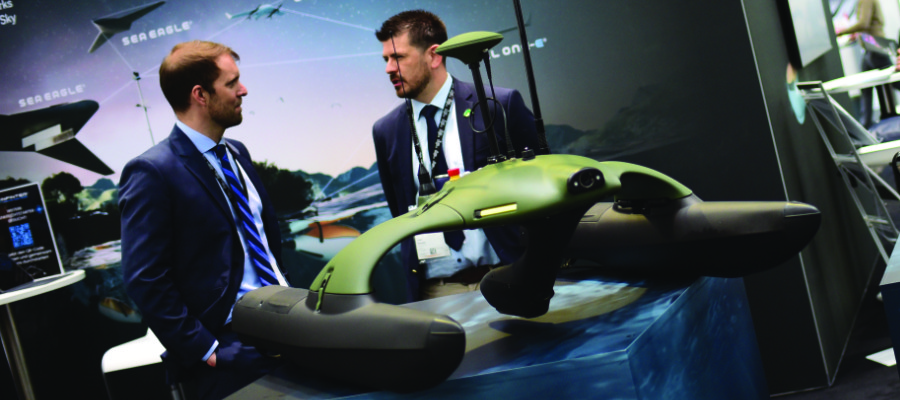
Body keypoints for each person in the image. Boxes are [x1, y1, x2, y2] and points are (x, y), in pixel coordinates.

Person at [119, 40, 287, 400]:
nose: (243, 90)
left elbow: (264, 241)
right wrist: (209, 351)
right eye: (232, 83)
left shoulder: (237, 153)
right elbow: (144, 278)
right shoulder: (151, 171)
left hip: (288, 326)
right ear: (200, 95)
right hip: (231, 353)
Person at [372, 10, 542, 302]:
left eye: (398, 57)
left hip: (509, 277)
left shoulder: (498, 105)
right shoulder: (385, 131)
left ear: (434, 55)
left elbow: (542, 189)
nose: (389, 69)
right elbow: (400, 212)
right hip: (435, 292)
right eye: (386, 59)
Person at [837, 0, 891, 127]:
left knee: (893, 82)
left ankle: (866, 124)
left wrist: (842, 31)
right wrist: (856, 35)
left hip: (875, 48)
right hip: (870, 49)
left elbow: (864, 23)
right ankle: (865, 125)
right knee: (866, 88)